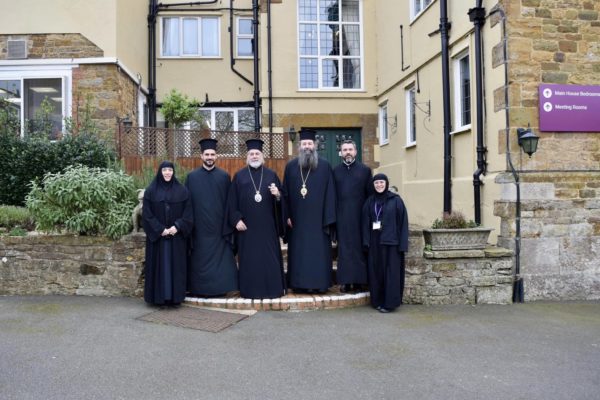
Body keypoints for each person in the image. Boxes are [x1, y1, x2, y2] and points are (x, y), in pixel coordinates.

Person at [225, 139, 285, 299]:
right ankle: (250, 291)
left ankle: (273, 290)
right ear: (247, 156)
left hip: (267, 227)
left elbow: (282, 201)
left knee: (269, 259)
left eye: (257, 153)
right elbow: (231, 202)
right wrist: (236, 220)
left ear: (262, 156)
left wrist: (277, 195)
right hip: (247, 228)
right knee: (250, 260)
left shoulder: (271, 175)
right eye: (251, 153)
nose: (254, 156)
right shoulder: (239, 176)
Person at [282, 129, 336, 293]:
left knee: (318, 254)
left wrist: (328, 218)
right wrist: (287, 215)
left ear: (315, 145)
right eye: (304, 143)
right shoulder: (291, 167)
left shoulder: (325, 166)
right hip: (297, 221)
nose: (307, 146)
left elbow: (331, 193)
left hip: (319, 221)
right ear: (299, 146)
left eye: (310, 144)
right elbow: (285, 194)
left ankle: (320, 284)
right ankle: (299, 284)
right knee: (300, 253)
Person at [185, 138, 238, 297]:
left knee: (222, 261)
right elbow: (187, 204)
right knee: (199, 259)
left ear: (216, 156)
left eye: (212, 154)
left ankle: (221, 289)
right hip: (199, 229)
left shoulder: (224, 177)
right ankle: (198, 289)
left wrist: (229, 224)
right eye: (206, 154)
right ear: (201, 156)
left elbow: (230, 203)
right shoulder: (192, 177)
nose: (209, 157)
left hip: (219, 229)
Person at [142, 161, 194, 306]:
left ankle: (175, 298)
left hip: (176, 238)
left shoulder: (182, 191)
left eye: (170, 170)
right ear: (160, 171)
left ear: (173, 172)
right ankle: (157, 298)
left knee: (175, 268)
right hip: (158, 239)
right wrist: (160, 229)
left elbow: (188, 213)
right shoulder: (151, 191)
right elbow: (147, 215)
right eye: (164, 170)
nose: (167, 173)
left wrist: (177, 226)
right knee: (159, 267)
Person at [362, 173, 409, 313]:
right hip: (375, 244)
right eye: (376, 183)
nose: (379, 185)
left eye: (381, 182)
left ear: (386, 183)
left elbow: (403, 223)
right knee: (376, 274)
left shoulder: (396, 201)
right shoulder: (370, 201)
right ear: (373, 185)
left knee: (390, 274)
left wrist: (403, 245)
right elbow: (364, 222)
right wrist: (366, 242)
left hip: (392, 244)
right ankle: (377, 301)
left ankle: (389, 304)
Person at [333, 139, 372, 293]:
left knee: (359, 249)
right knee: (344, 250)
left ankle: (359, 281)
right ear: (341, 153)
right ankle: (345, 281)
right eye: (345, 150)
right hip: (342, 216)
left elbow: (370, 195)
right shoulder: (335, 171)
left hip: (360, 216)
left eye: (350, 149)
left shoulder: (365, 171)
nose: (348, 152)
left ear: (355, 152)